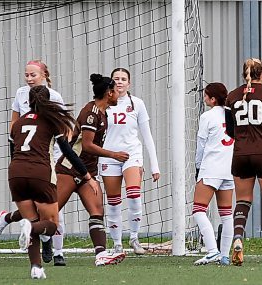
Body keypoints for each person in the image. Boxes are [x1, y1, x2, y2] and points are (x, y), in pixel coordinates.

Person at [9, 85, 96, 279]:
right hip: (40, 173)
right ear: (48, 101)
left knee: (31, 219)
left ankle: (36, 268)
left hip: (15, 174)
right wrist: (87, 176)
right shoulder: (51, 121)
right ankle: (31, 229)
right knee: (51, 224)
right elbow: (68, 151)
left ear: (28, 102)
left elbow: (12, 151)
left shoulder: (17, 123)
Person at [0, 60, 67, 266]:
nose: (29, 78)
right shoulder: (20, 93)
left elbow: (63, 130)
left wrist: (59, 155)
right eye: (26, 75)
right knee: (38, 209)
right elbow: (14, 124)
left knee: (52, 207)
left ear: (44, 75)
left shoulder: (55, 96)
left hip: (50, 155)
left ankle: (55, 250)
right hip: (26, 156)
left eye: (33, 75)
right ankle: (42, 248)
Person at [55, 73, 128, 266]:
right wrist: (113, 155)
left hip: (88, 171)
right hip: (70, 169)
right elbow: (86, 145)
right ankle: (8, 220)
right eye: (115, 91)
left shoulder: (103, 112)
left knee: (97, 211)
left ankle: (100, 255)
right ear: (109, 93)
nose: (118, 94)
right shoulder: (91, 112)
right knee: (50, 212)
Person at [224, 58, 262, 266]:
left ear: (244, 74)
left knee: (242, 200)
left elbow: (230, 131)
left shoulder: (231, 96)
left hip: (240, 154)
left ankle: (238, 238)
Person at [99, 68, 160, 255]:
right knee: (114, 202)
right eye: (116, 79)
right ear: (111, 82)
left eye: (123, 79)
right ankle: (117, 243)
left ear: (129, 83)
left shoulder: (137, 104)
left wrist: (154, 165)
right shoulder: (103, 104)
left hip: (132, 155)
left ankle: (134, 238)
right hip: (109, 156)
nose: (119, 82)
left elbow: (147, 136)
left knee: (134, 195)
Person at [192, 83, 234, 266]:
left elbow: (201, 144)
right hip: (229, 169)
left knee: (198, 211)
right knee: (226, 215)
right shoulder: (232, 114)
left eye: (206, 95)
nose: (204, 97)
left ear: (213, 99)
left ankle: (212, 251)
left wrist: (198, 167)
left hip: (211, 168)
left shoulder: (207, 116)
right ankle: (224, 255)